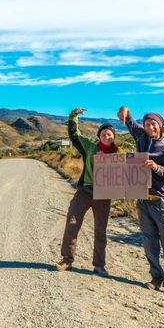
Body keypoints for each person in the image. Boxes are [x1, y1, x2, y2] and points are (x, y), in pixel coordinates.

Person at [117, 106, 164, 299]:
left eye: (153, 124)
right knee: (149, 243)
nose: (150, 127)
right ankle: (156, 278)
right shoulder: (141, 138)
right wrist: (124, 109)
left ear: (161, 125)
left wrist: (157, 167)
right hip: (143, 201)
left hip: (161, 202)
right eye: (147, 124)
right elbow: (129, 121)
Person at [56, 107, 118, 276]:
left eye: (110, 134)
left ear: (113, 137)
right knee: (72, 222)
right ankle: (67, 260)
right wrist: (73, 117)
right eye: (103, 134)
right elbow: (74, 136)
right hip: (85, 191)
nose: (107, 136)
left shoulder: (118, 154)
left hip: (104, 195)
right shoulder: (90, 147)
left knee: (100, 230)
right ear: (99, 136)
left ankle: (99, 265)